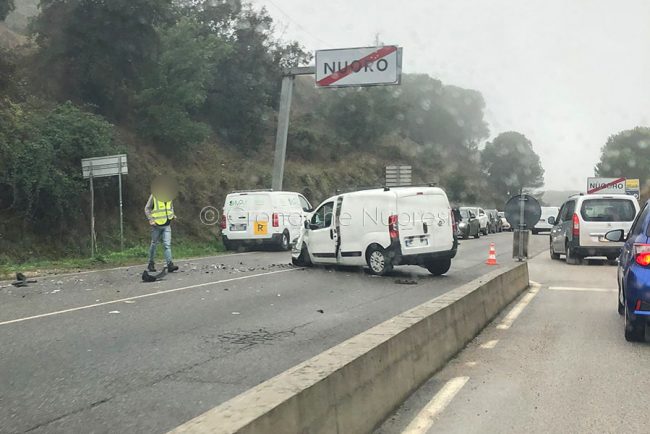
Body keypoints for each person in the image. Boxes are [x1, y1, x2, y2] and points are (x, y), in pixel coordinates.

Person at [144, 182, 179, 273]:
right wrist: (150, 219)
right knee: (154, 244)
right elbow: (147, 208)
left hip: (167, 225)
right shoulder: (154, 197)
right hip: (157, 225)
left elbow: (170, 207)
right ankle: (151, 263)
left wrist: (173, 215)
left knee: (167, 245)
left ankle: (170, 264)